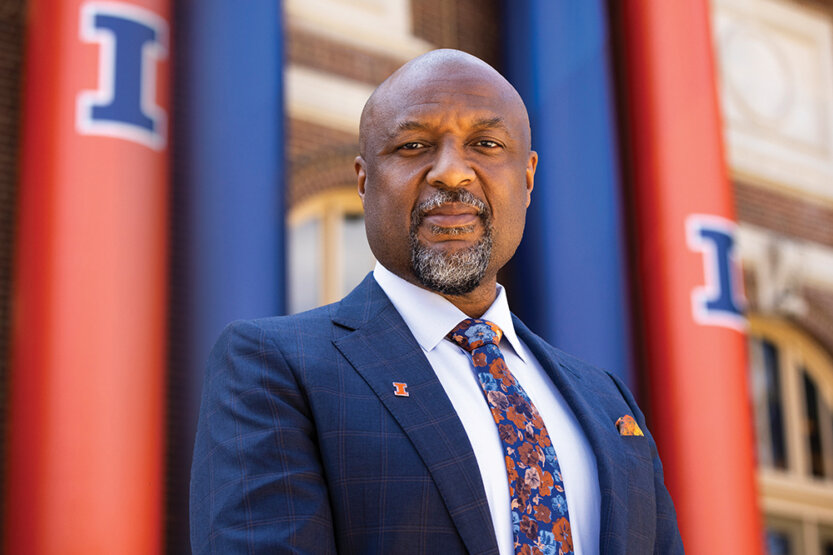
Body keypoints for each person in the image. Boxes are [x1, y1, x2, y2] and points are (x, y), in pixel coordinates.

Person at [190, 49, 683, 554]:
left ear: (528, 177)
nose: (451, 173)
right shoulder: (274, 366)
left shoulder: (608, 401)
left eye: (486, 144)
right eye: (413, 146)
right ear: (364, 180)